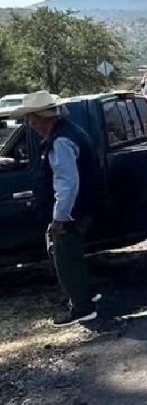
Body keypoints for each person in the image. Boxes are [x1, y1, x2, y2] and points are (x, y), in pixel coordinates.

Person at [10, 91, 101, 326]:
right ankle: (85, 296)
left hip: (73, 210)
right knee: (72, 257)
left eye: (31, 119)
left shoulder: (60, 141)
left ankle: (82, 308)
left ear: (42, 117)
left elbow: (67, 183)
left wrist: (59, 218)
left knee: (65, 259)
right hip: (84, 206)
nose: (31, 125)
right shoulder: (69, 130)